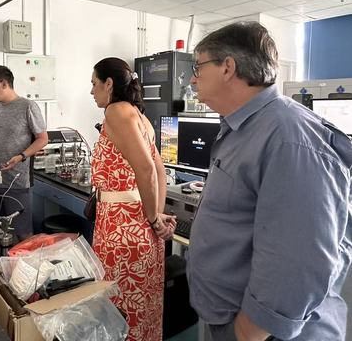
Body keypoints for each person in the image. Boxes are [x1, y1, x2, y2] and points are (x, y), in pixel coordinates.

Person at [186, 21, 352, 341]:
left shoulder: (290, 136)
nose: (193, 79)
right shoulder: (243, 128)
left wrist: (249, 331)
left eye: (198, 67)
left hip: (265, 333)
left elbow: (299, 259)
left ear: (228, 67)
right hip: (233, 318)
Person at [90, 57, 176, 341]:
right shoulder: (141, 117)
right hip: (139, 227)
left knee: (121, 311)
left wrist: (153, 217)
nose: (91, 91)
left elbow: (147, 169)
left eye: (94, 83)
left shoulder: (116, 111)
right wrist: (156, 217)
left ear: (109, 84)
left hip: (122, 229)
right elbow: (160, 171)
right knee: (143, 308)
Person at [0, 65, 48, 240]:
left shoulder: (27, 106)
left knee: (22, 232)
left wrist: (21, 156)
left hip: (16, 181)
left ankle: (25, 258)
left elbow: (43, 138)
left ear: (3, 84)